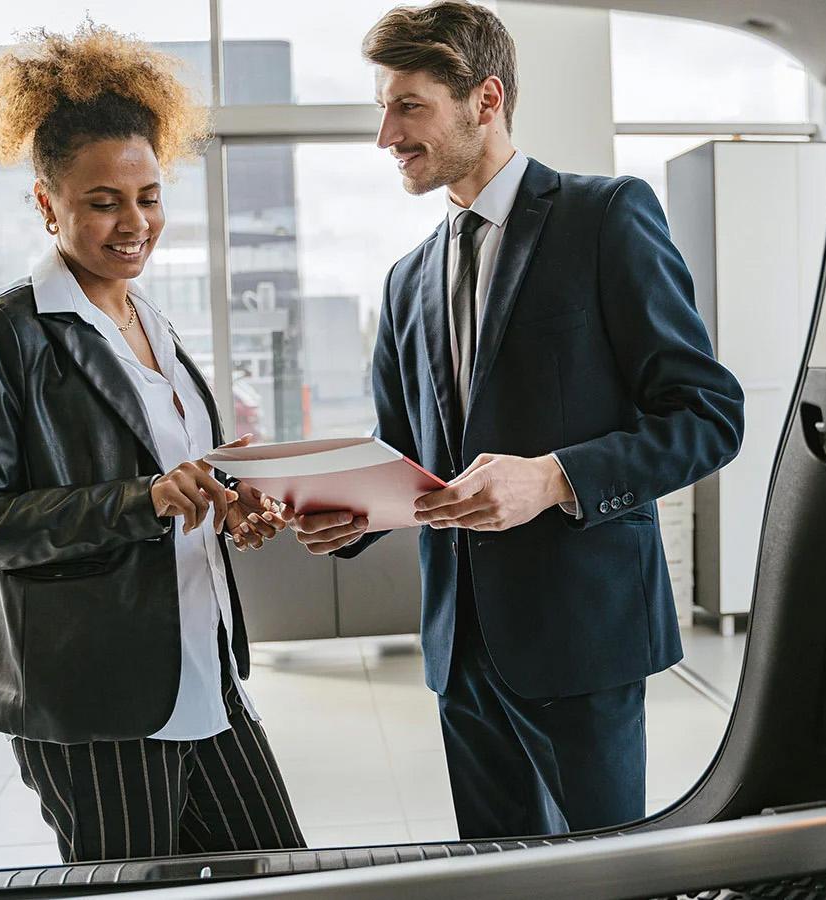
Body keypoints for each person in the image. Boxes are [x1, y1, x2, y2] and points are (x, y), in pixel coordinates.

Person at [291, 1, 745, 840]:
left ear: (486, 99)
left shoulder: (606, 217)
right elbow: (402, 454)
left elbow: (709, 415)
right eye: (383, 109)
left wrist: (553, 477)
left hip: (582, 636)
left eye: (408, 105)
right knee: (494, 871)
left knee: (602, 872)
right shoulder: (405, 280)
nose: (386, 135)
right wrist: (328, 511)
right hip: (459, 650)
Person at [0, 23, 304, 862]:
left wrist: (229, 505)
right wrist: (144, 502)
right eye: (103, 202)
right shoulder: (8, 329)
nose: (135, 222)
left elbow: (177, 477)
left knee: (282, 870)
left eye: (149, 197)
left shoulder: (150, 322)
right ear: (45, 201)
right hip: (97, 695)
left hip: (204, 672)